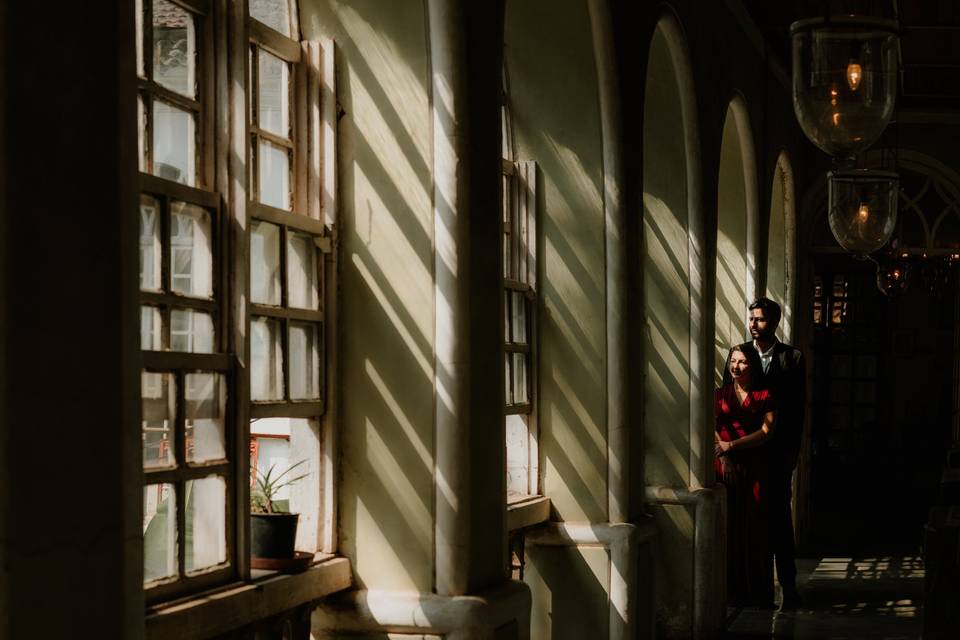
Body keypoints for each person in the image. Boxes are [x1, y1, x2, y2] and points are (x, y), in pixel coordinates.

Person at [724, 297, 806, 609]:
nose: (754, 325)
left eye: (760, 319)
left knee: (780, 520)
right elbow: (726, 403)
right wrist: (729, 452)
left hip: (778, 454)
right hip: (745, 453)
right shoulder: (739, 354)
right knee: (747, 521)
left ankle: (788, 584)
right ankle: (750, 588)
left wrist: (792, 454)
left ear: (773, 322)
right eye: (751, 319)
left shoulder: (792, 358)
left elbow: (797, 410)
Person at [715, 345, 776, 608]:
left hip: (755, 466)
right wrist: (725, 456)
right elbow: (711, 426)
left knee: (755, 527)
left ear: (752, 365)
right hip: (726, 466)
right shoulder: (720, 394)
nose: (735, 366)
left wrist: (734, 446)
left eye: (742, 361)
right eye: (732, 361)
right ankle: (730, 593)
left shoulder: (765, 394)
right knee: (730, 527)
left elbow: (766, 432)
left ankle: (758, 594)